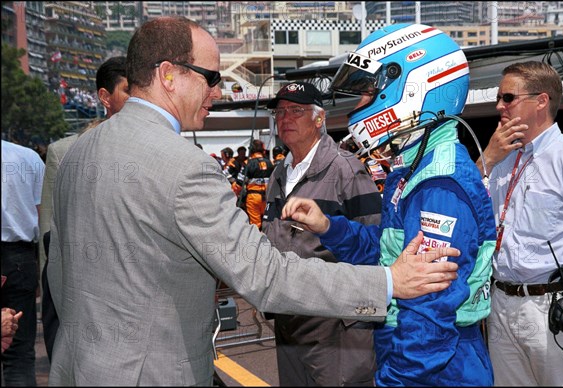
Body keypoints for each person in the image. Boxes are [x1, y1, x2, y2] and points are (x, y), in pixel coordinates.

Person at [46, 17, 460, 386]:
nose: (218, 89)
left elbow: (63, 273)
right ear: (168, 75)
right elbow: (265, 276)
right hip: (152, 371)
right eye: (210, 77)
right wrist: (389, 282)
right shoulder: (184, 166)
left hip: (81, 366)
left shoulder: (77, 153)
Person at [282, 23, 497, 386]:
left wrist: (395, 381)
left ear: (413, 87)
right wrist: (329, 227)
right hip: (412, 352)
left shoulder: (439, 181)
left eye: (368, 94)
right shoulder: (412, 166)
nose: (360, 106)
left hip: (438, 368)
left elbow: (430, 312)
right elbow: (389, 256)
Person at [475, 61, 563, 386]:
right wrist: (486, 159)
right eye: (499, 97)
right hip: (500, 304)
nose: (499, 105)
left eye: (508, 97)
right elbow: (463, 206)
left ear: (541, 101)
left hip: (557, 306)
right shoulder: (498, 157)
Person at [262, 81, 382, 386]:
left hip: (333, 323)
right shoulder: (279, 174)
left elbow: (375, 243)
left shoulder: (345, 168)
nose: (285, 118)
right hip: (288, 316)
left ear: (319, 119)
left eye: (296, 110)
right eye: (280, 112)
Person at [38, 55, 129, 363]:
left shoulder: (166, 150)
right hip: (80, 296)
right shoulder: (63, 153)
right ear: (105, 97)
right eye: (129, 90)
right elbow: (48, 232)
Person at [1, 139, 45, 386]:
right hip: (19, 258)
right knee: (19, 355)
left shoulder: (29, 158)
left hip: (19, 256)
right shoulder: (28, 158)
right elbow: (41, 215)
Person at [233, 139, 273, 229]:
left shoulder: (248, 163)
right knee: (268, 223)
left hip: (253, 197)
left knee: (256, 225)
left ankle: (258, 242)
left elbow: (239, 184)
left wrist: (235, 196)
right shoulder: (270, 163)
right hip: (268, 197)